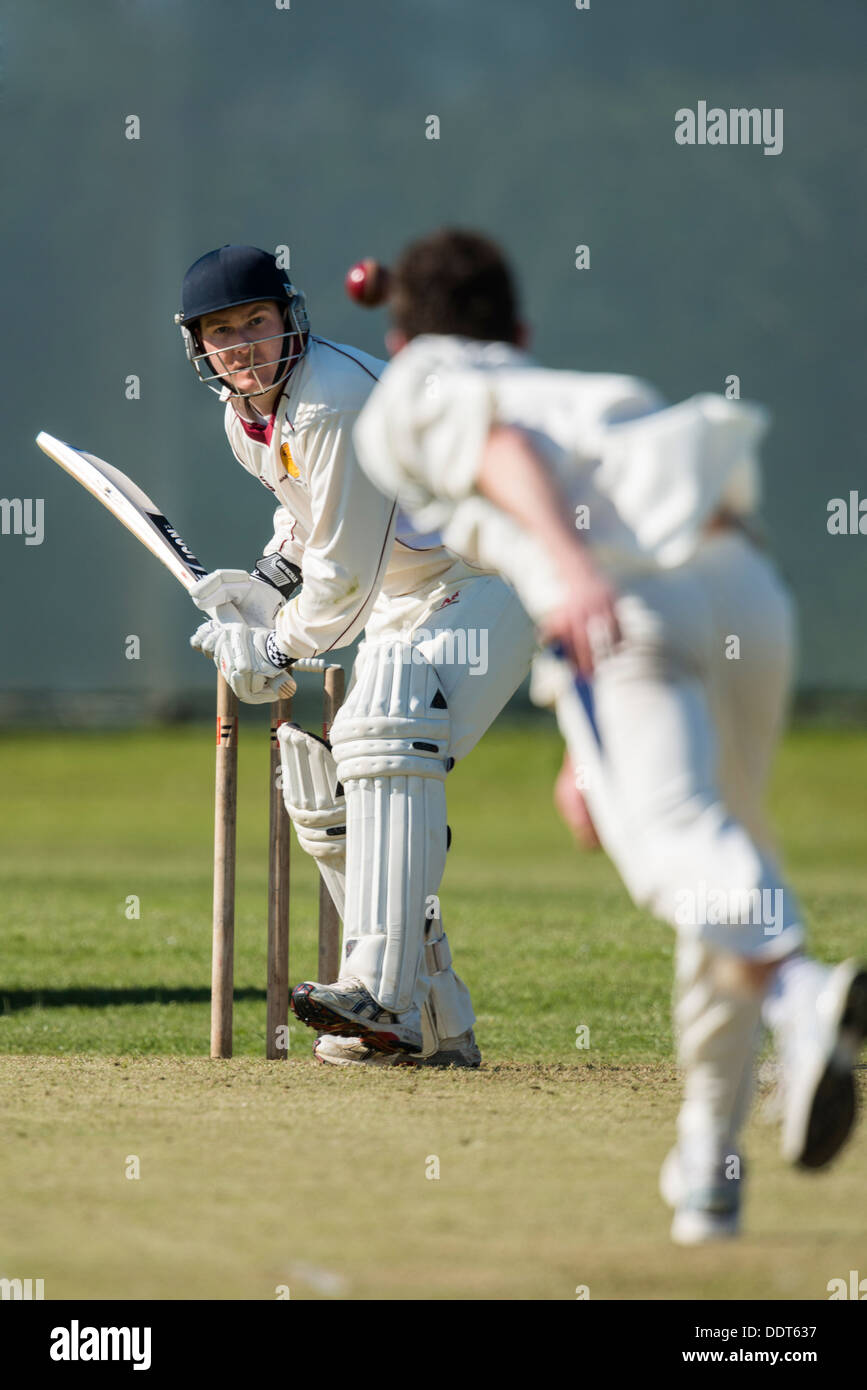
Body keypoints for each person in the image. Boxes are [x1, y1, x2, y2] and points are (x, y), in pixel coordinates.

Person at [350, 227, 867, 1242]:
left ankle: (802, 993)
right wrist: (592, 753)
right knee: (724, 857)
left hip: (625, 597)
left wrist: (575, 570)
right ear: (523, 330)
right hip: (744, 592)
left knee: (679, 851)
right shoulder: (580, 390)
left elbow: (494, 448)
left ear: (404, 337)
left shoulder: (411, 390)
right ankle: (709, 1162)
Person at [175, 243, 537, 1068]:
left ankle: (381, 994)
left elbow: (339, 592)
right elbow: (309, 526)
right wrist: (258, 589)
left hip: (493, 573)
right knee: (327, 796)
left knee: (386, 712)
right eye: (220, 332)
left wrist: (272, 644)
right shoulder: (246, 421)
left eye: (255, 323)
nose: (240, 345)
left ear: (288, 320)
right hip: (412, 594)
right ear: (199, 347)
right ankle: (429, 1025)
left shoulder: (332, 397)